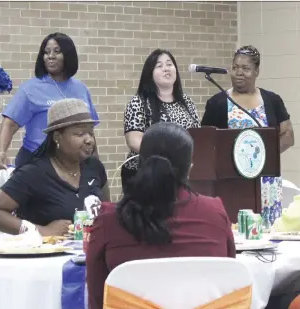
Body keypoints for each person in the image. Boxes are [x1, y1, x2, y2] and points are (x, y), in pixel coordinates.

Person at [86, 122, 235, 309]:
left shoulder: (108, 220)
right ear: (189, 168)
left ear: (140, 163)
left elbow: (97, 299)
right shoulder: (215, 212)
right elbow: (228, 283)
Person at [0, 99, 109, 236]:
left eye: (90, 133)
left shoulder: (95, 167)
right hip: (44, 255)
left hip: (89, 254)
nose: (89, 140)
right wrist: (42, 231)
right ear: (57, 137)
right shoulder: (33, 173)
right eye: (80, 134)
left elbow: (108, 211)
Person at [201, 45, 294, 225]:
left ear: (257, 71)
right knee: (236, 227)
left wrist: (263, 158)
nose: (239, 73)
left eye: (246, 68)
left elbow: (288, 136)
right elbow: (206, 142)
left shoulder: (272, 100)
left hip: (266, 182)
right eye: (235, 67)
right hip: (232, 181)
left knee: (268, 230)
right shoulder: (218, 102)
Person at [0, 32, 99, 169]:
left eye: (57, 51)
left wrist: (95, 162)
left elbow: (89, 130)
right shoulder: (31, 89)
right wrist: (1, 152)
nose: (50, 56)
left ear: (68, 55)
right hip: (37, 161)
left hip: (75, 162)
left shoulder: (81, 89)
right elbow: (10, 124)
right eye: (46, 52)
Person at [122, 48, 200, 191]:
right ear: (149, 74)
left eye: (169, 64)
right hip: (145, 173)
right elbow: (134, 141)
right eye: (159, 66)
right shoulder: (138, 102)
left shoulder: (187, 103)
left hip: (181, 174)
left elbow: (196, 136)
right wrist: (168, 158)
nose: (166, 69)